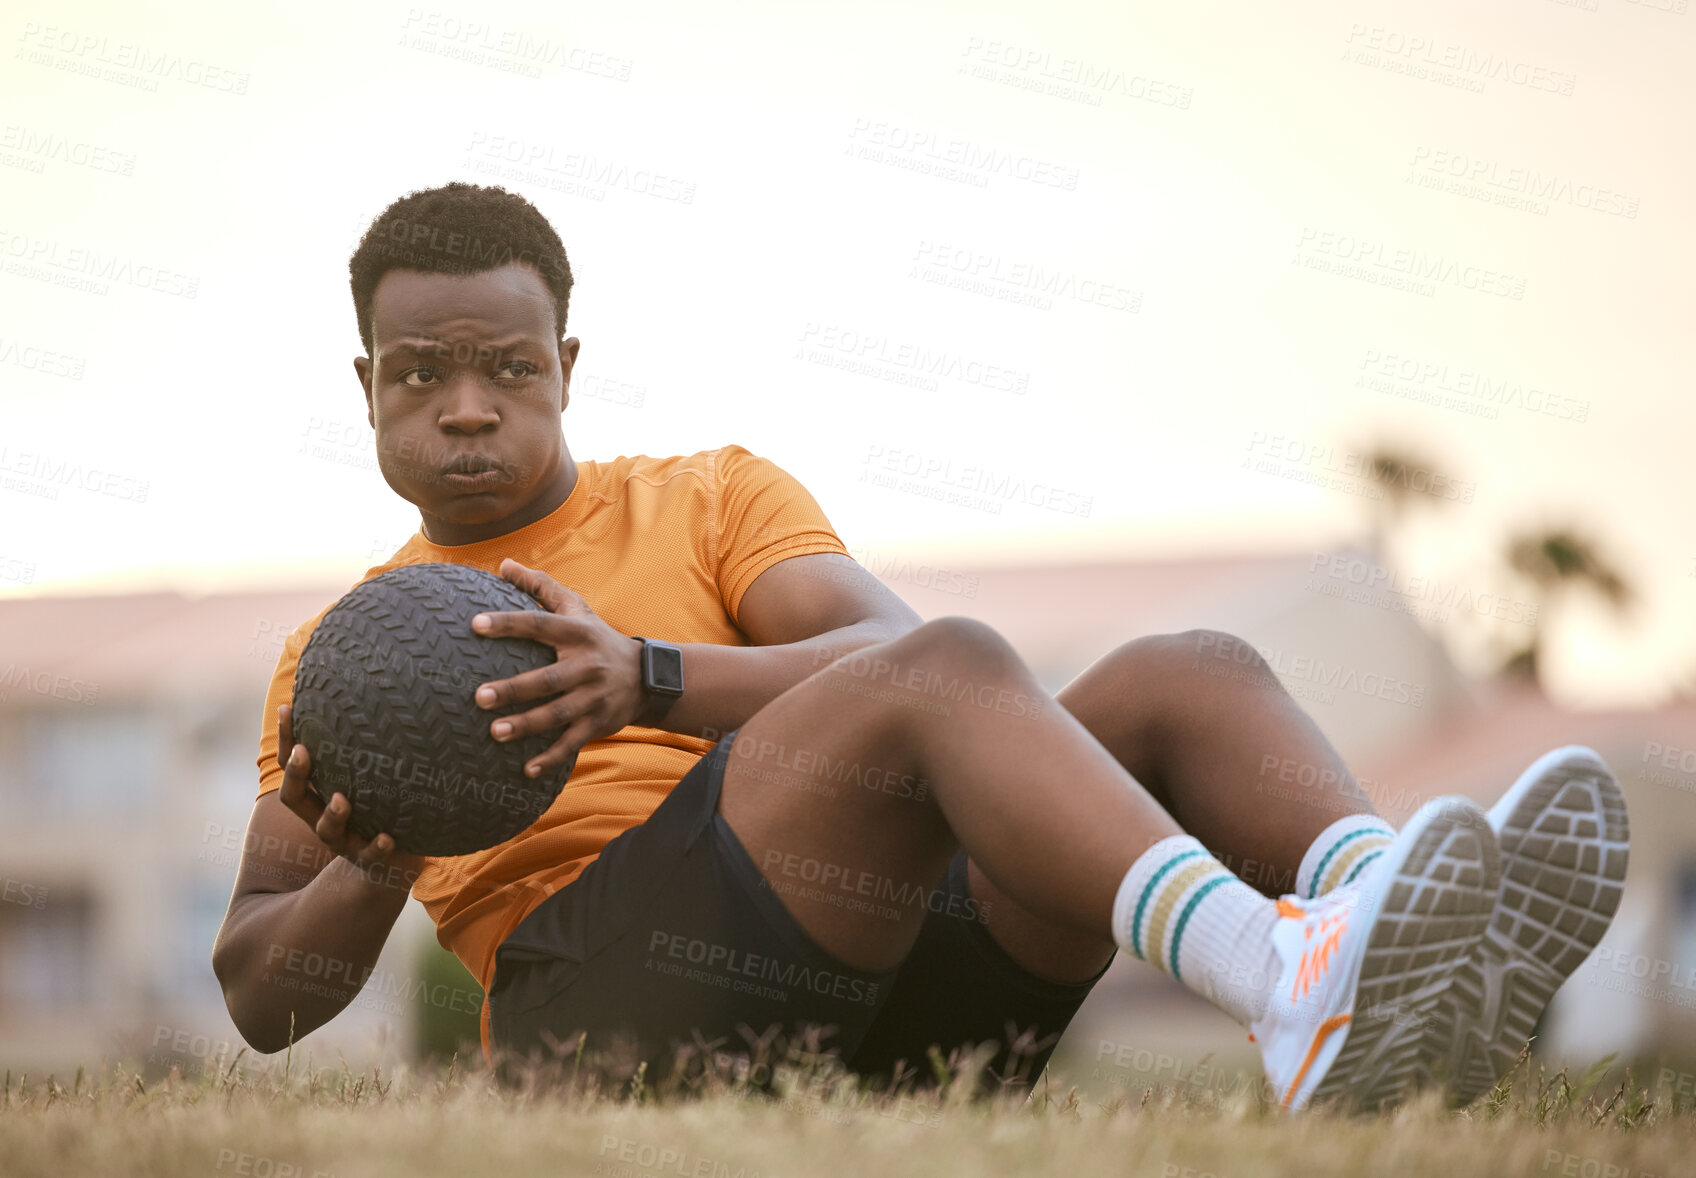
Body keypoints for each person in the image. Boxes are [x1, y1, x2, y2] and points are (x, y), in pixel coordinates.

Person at [211, 183, 1629, 1111]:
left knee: (1185, 670)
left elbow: (886, 652)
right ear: (368, 388)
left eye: (507, 367)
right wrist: (366, 868)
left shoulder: (713, 497)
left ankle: (1383, 923)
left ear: (566, 369)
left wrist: (640, 675)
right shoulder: (333, 658)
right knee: (951, 669)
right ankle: (1285, 979)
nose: (466, 407)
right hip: (605, 1028)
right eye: (420, 374)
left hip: (882, 1004)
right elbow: (261, 997)